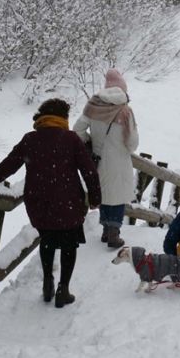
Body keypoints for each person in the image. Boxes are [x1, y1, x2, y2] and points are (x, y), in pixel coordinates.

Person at [0, 98, 101, 308]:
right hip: (68, 202)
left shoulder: (30, 140)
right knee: (69, 244)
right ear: (63, 118)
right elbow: (89, 171)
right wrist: (95, 198)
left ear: (42, 117)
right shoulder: (71, 139)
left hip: (39, 203)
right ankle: (63, 289)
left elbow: (7, 166)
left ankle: (47, 282)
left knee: (48, 239)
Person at [73, 68, 138, 249]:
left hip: (98, 159)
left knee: (104, 193)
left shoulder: (93, 106)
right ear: (123, 90)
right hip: (119, 161)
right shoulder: (126, 111)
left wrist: (91, 141)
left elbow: (77, 130)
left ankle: (105, 230)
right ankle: (113, 233)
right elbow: (132, 143)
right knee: (117, 196)